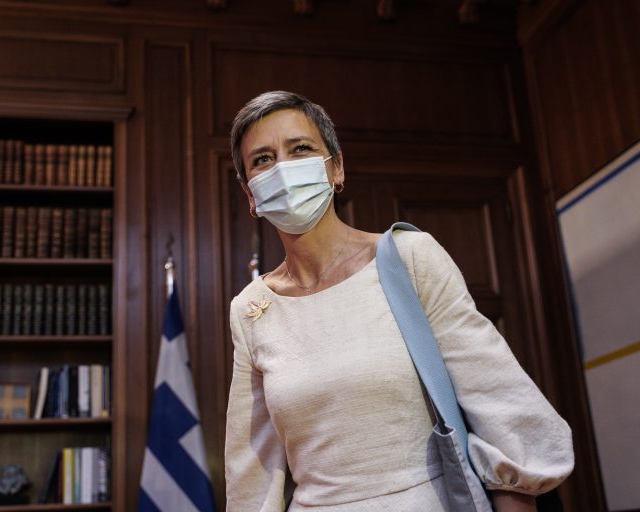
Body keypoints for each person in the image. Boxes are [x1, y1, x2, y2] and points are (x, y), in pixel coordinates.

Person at [224, 90, 573, 511]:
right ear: (250, 194)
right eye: (263, 159)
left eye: (300, 149)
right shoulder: (250, 310)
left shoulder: (410, 258)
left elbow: (498, 400)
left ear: (336, 167)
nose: (283, 168)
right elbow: (252, 472)